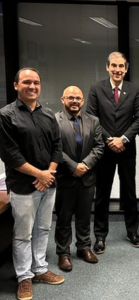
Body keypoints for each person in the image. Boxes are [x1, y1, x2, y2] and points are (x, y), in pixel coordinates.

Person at [0, 68, 64, 300]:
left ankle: (39, 269)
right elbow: (11, 155)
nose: (32, 86)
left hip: (48, 184)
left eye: (36, 82)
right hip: (23, 186)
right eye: (27, 82)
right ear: (16, 85)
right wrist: (41, 175)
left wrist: (49, 174)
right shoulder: (6, 115)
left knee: (43, 229)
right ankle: (24, 277)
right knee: (23, 234)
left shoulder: (48, 114)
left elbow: (57, 147)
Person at [86, 52, 139, 253]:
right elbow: (92, 117)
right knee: (102, 192)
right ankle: (100, 236)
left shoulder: (134, 89)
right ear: (107, 67)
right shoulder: (96, 88)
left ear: (126, 69)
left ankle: (132, 232)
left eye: (121, 66)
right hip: (103, 148)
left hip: (127, 148)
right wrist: (109, 139)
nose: (118, 70)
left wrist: (124, 139)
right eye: (114, 66)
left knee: (129, 191)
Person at [54, 86, 104, 271]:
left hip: (87, 177)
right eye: (70, 98)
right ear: (63, 99)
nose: (74, 101)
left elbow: (99, 147)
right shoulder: (54, 120)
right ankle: (63, 253)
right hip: (65, 177)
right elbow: (55, 148)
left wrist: (85, 165)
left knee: (84, 216)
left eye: (78, 98)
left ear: (83, 101)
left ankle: (84, 247)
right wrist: (73, 166)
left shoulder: (94, 120)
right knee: (64, 217)